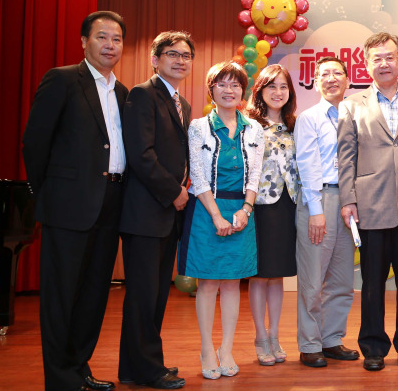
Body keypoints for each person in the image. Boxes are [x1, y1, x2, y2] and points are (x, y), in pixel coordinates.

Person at [23, 11, 128, 391]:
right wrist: (49, 195)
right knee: (61, 295)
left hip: (111, 203)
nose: (110, 45)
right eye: (102, 37)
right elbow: (34, 143)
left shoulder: (123, 93)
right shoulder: (63, 80)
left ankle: (79, 368)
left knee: (94, 294)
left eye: (116, 39)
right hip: (68, 206)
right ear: (84, 41)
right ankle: (60, 379)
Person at [337, 32, 398, 372]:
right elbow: (346, 157)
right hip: (370, 205)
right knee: (372, 282)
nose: (384, 63)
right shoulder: (351, 105)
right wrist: (348, 199)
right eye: (377, 58)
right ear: (366, 63)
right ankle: (373, 347)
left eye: (390, 57)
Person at [118, 31, 195, 389]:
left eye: (186, 55)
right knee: (143, 296)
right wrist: (174, 192)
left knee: (156, 295)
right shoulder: (142, 95)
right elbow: (141, 154)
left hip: (167, 215)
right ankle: (147, 368)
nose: (180, 60)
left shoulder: (182, 103)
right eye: (172, 54)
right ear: (155, 59)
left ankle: (137, 366)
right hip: (146, 213)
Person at [178, 62, 264, 380]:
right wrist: (217, 215)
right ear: (211, 90)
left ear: (243, 91)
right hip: (206, 209)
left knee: (232, 283)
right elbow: (197, 175)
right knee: (208, 283)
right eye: (222, 84)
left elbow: (255, 175)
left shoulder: (254, 129)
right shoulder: (198, 127)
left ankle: (226, 349)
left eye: (235, 85)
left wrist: (245, 210)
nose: (229, 90)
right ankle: (206, 349)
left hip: (241, 210)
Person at [293, 57, 359, 367]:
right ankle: (310, 344)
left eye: (337, 73)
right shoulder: (309, 118)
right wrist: (316, 210)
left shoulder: (354, 114)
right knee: (312, 279)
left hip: (348, 201)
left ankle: (332, 339)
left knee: (343, 279)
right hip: (319, 199)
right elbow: (306, 164)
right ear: (316, 81)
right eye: (324, 74)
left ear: (348, 79)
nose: (331, 78)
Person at [244, 64, 300, 367]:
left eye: (283, 87)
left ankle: (275, 335)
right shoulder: (249, 125)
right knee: (260, 275)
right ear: (260, 91)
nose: (278, 92)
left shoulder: (295, 125)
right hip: (260, 206)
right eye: (271, 86)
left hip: (288, 205)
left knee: (277, 274)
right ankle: (260, 337)